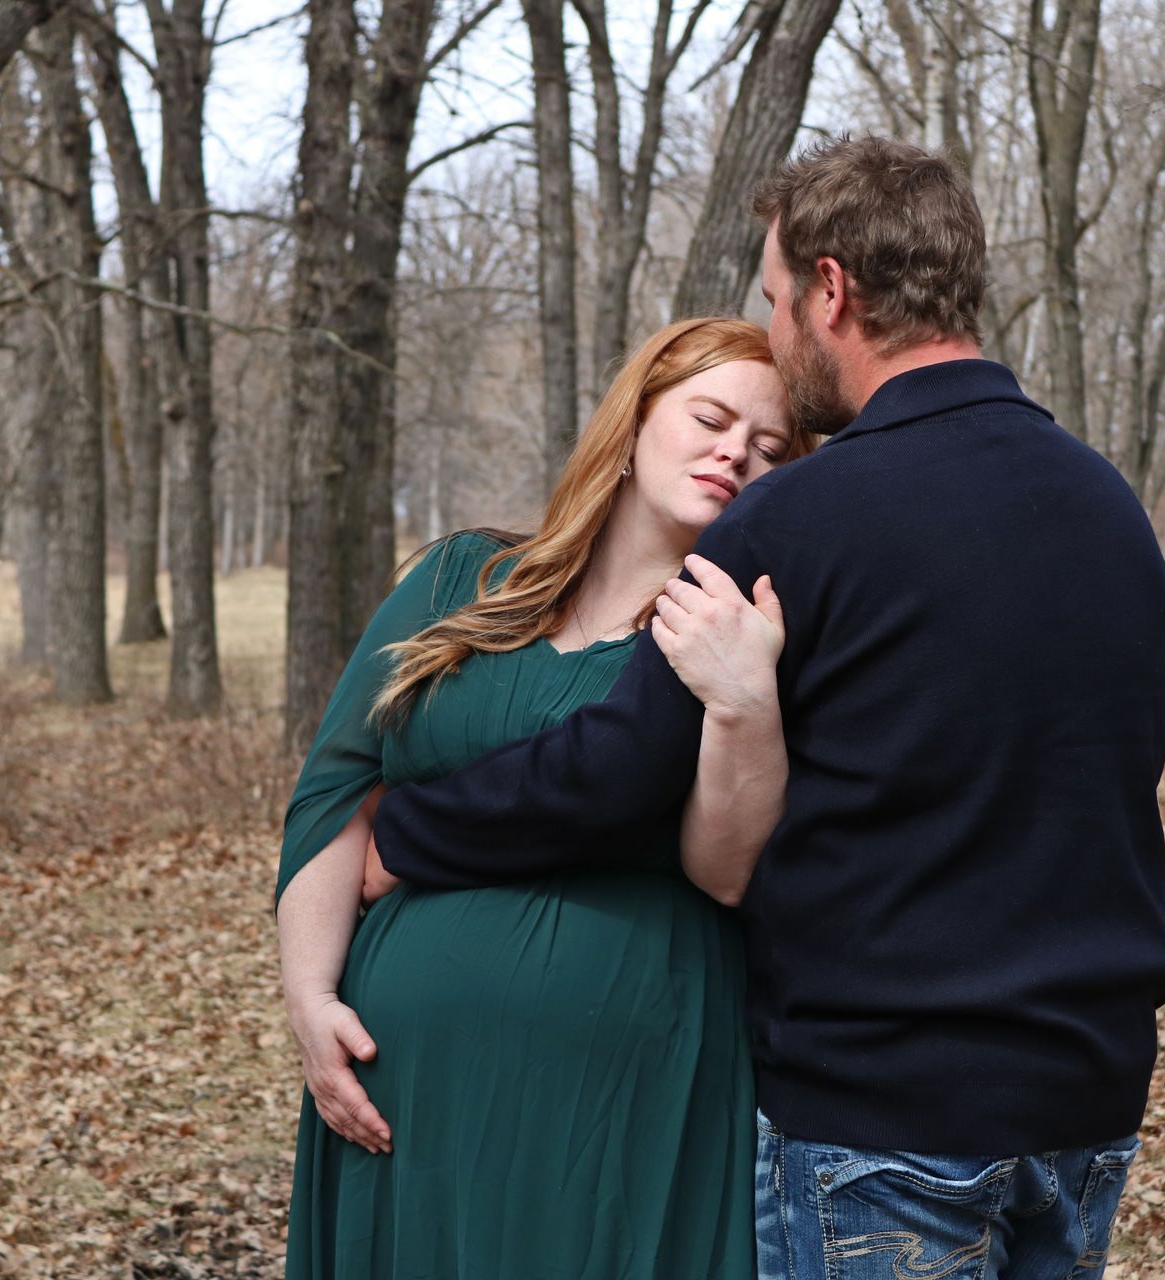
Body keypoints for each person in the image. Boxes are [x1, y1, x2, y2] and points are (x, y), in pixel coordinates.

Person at [368, 136, 1165, 1280]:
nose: (776, 325)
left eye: (774, 296)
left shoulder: (802, 518)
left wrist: (406, 832)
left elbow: (617, 768)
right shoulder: (1109, 511)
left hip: (886, 1110)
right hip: (1089, 1096)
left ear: (832, 289)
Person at [274, 316, 815, 1279]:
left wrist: (744, 700)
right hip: (406, 1090)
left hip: (623, 1101)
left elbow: (727, 864)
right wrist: (312, 1000)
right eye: (711, 416)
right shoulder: (460, 579)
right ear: (637, 417)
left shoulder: (738, 634)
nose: (736, 452)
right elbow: (338, 789)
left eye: (770, 448)